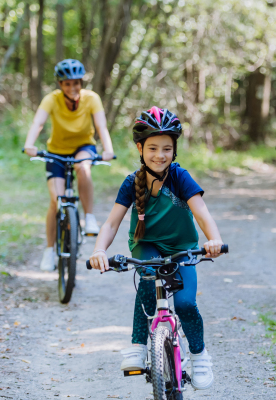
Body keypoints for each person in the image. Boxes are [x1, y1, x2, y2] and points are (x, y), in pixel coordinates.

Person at [89, 107, 223, 390]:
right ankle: (138, 345)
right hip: (146, 245)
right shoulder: (131, 183)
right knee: (148, 282)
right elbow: (112, 224)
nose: (159, 155)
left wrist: (213, 239)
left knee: (186, 304)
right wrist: (100, 250)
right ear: (140, 148)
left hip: (182, 246)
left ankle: (199, 356)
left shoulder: (179, 177)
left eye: (166, 148)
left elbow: (202, 213)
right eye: (152, 148)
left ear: (174, 150)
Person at [23, 59, 114, 271]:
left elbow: (101, 126)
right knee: (56, 201)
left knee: (83, 167)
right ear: (60, 84)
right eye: (67, 84)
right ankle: (49, 251)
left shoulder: (92, 99)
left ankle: (89, 217)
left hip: (83, 146)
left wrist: (108, 150)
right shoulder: (51, 99)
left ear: (81, 82)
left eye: (76, 83)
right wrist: (29, 144)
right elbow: (38, 122)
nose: (72, 88)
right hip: (56, 151)